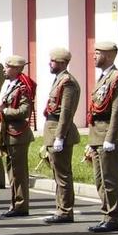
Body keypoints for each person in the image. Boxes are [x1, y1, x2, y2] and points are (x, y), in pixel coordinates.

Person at [86, 42, 118, 232]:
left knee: (109, 179)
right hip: (98, 134)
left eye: (98, 53)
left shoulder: (117, 79)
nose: (94, 56)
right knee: (100, 180)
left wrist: (110, 139)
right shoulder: (104, 77)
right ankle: (106, 215)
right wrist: (91, 141)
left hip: (109, 135)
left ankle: (113, 217)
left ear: (110, 56)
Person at [40, 47, 82, 224]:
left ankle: (65, 211)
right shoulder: (59, 80)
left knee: (63, 174)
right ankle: (61, 208)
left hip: (59, 130)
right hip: (53, 130)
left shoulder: (68, 82)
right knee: (58, 174)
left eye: (53, 61)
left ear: (63, 63)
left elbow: (66, 111)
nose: (50, 63)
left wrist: (60, 136)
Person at [0, 56, 36, 217]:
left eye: (7, 67)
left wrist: (4, 111)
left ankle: (20, 205)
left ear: (16, 69)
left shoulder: (23, 88)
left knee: (18, 173)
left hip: (18, 134)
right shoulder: (12, 86)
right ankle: (15, 204)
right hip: (9, 133)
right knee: (12, 172)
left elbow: (24, 111)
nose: (4, 70)